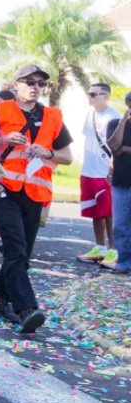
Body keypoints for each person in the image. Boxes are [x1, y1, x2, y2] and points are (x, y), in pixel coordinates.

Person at [0, 64, 73, 333]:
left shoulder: (52, 116)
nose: (35, 86)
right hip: (5, 189)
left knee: (22, 254)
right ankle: (27, 309)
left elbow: (67, 157)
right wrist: (2, 140)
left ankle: (1, 301)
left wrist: (48, 153)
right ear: (15, 84)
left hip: (36, 193)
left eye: (40, 82)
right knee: (14, 249)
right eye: (29, 81)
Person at [77, 83, 120, 267]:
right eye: (89, 93)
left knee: (109, 213)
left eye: (94, 94)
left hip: (105, 172)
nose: (90, 97)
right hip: (88, 170)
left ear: (106, 96)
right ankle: (100, 249)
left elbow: (117, 146)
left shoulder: (115, 116)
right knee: (95, 212)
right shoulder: (90, 114)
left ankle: (114, 250)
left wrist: (112, 171)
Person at [104, 95, 131, 274]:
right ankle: (124, 264)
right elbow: (113, 146)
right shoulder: (115, 123)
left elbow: (120, 148)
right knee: (120, 226)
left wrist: (125, 149)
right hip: (122, 182)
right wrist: (123, 120)